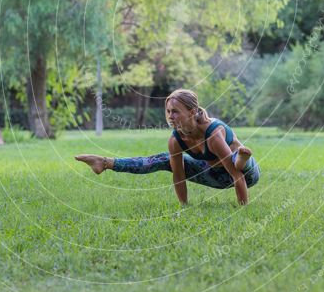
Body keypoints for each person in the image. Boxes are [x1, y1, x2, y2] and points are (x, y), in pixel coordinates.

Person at [75, 88, 260, 205]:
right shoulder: (175, 140)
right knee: (165, 159)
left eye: (176, 112)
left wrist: (242, 208)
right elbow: (178, 177)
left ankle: (241, 157)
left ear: (192, 112)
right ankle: (105, 162)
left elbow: (238, 177)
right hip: (214, 175)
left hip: (246, 175)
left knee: (237, 163)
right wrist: (184, 206)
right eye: (169, 111)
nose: (170, 116)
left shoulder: (213, 135)